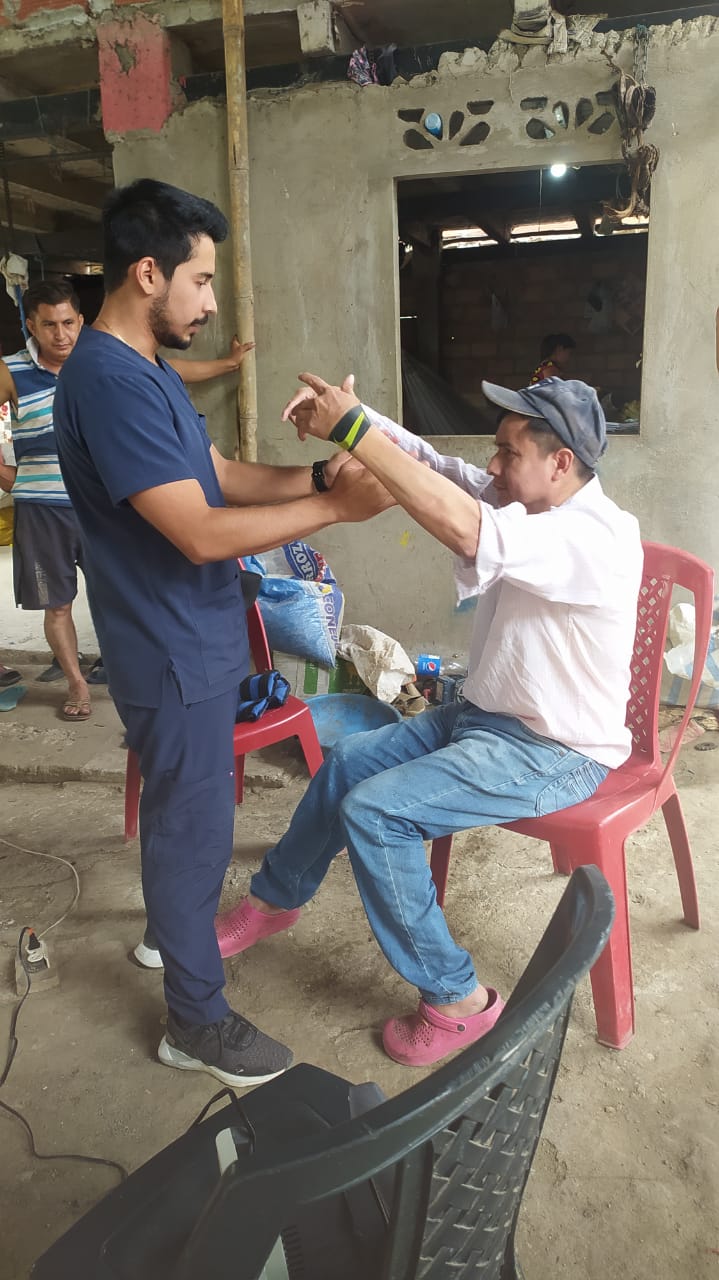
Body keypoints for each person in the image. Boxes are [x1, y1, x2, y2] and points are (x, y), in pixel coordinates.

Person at [53, 178, 394, 1088]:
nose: (209, 304)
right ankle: (195, 1023)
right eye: (200, 281)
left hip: (194, 632)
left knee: (191, 818)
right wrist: (335, 512)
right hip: (168, 647)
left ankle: (173, 941)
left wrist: (318, 476)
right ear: (147, 272)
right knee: (191, 830)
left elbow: (216, 477)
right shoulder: (108, 381)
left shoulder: (149, 371)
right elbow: (199, 532)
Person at [213, 373, 643, 1069]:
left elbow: (467, 526)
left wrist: (355, 431)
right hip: (486, 717)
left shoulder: (591, 538)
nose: (492, 466)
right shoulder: (526, 503)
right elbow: (438, 470)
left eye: (508, 453)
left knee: (376, 813)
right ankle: (274, 901)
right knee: (346, 764)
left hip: (553, 751)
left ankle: (458, 999)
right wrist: (359, 417)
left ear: (560, 463)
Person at [0, 285, 253, 720]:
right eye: (49, 325)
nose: (60, 334)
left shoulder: (103, 363)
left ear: (81, 321)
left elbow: (173, 371)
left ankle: (128, 677)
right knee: (58, 603)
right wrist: (11, 479)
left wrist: (227, 365)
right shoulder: (11, 371)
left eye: (68, 323)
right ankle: (77, 683)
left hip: (101, 507)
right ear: (31, 326)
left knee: (123, 595)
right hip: (43, 512)